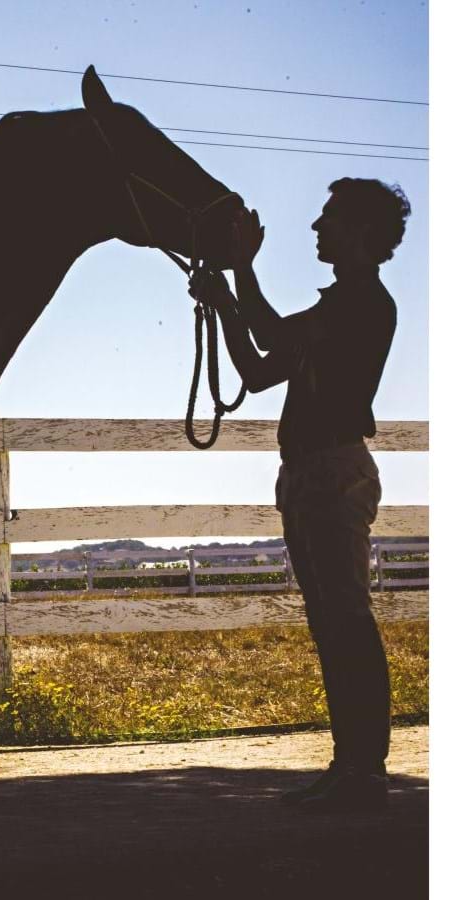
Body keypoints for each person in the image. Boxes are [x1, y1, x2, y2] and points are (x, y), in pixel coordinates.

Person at [189, 178, 411, 813]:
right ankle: (354, 766)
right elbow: (259, 372)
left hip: (330, 472)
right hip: (315, 472)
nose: (317, 227)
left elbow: (271, 340)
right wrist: (227, 300)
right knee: (333, 622)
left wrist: (240, 278)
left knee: (344, 620)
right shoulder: (350, 304)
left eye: (330, 218)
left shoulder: (362, 303)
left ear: (362, 234)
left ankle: (363, 769)